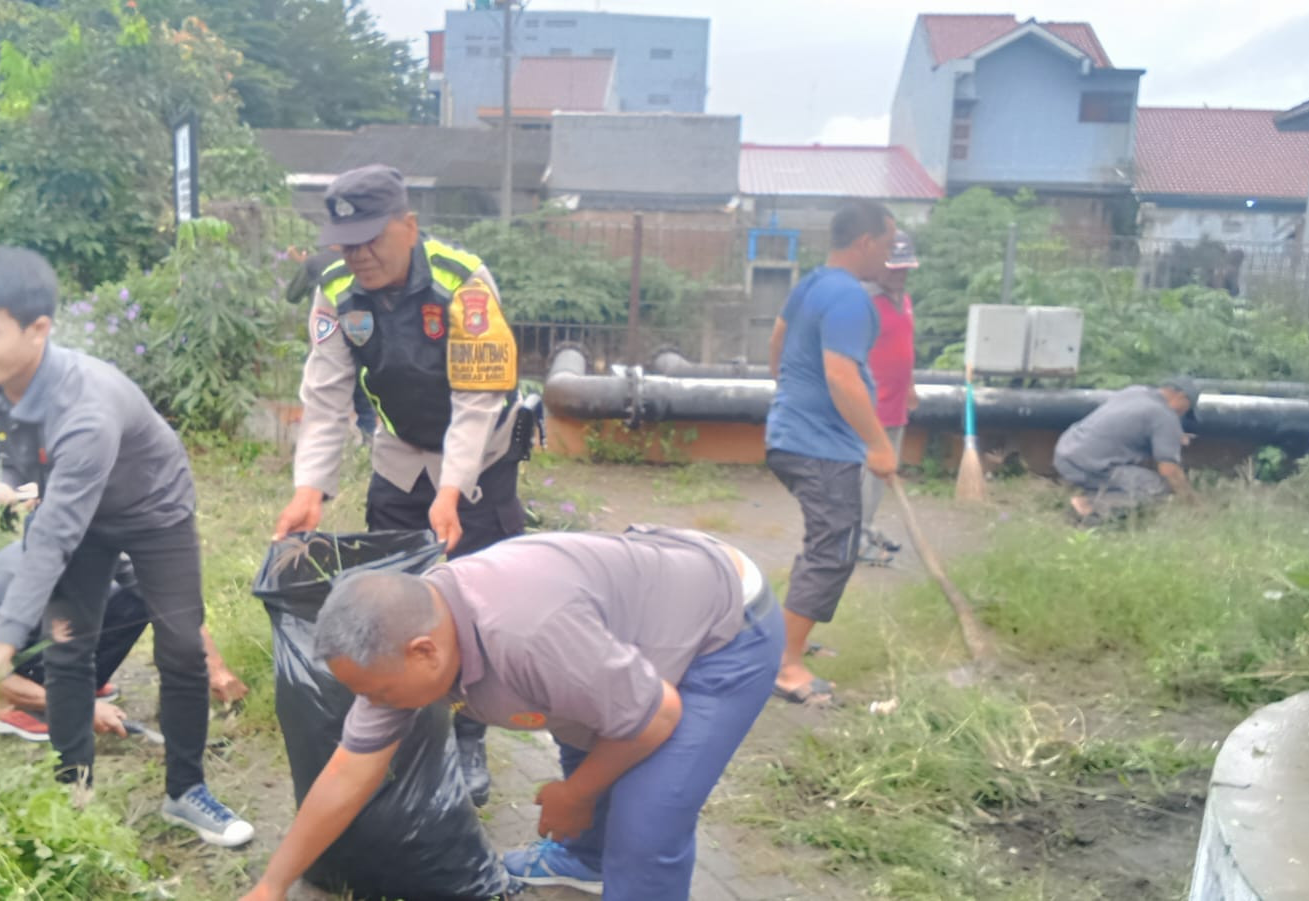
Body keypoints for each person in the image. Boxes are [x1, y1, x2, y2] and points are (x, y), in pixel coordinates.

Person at [0, 245, 254, 847]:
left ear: (38, 330)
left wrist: (2, 644)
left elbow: (56, 534)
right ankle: (74, 790)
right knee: (68, 648)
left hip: (153, 513)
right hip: (69, 506)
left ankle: (186, 792)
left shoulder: (85, 406)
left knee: (179, 647)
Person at [238, 526, 782, 901]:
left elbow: (658, 715)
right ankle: (588, 858)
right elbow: (347, 772)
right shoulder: (401, 650)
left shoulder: (527, 633)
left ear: (424, 651)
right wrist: (272, 885)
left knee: (647, 824)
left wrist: (577, 795)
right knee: (579, 708)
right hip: (615, 629)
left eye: (378, 693)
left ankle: (618, 860)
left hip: (724, 628)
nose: (373, 705)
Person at [273, 164, 523, 807]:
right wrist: (311, 488)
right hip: (399, 458)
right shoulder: (334, 292)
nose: (357, 254)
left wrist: (453, 488)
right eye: (345, 241)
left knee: (478, 599)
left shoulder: (462, 282)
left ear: (408, 226)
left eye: (370, 239)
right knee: (394, 596)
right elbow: (326, 400)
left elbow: (476, 400)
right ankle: (406, 727)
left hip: (478, 460)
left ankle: (468, 733)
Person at [765, 200, 898, 708]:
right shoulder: (848, 297)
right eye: (887, 245)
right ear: (865, 242)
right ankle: (784, 666)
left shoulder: (814, 284)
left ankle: (788, 639)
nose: (889, 257)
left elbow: (777, 338)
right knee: (834, 550)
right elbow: (841, 374)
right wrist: (879, 445)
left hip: (795, 435)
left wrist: (785, 394)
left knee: (827, 543)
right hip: (819, 445)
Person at [0, 542, 250, 742]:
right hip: (6, 667)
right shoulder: (7, 587)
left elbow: (168, 595)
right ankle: (20, 704)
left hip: (56, 625)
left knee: (138, 598)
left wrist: (215, 665)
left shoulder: (96, 545)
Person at [857, 231, 920, 566]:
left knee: (883, 475)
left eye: (905, 268)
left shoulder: (904, 300)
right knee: (865, 475)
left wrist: (910, 386)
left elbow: (904, 348)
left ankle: (865, 528)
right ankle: (853, 539)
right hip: (870, 405)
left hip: (896, 403)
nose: (900, 274)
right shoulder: (866, 302)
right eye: (894, 268)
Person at [1053, 377, 1199, 524]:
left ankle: (1083, 498)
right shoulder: (1165, 415)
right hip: (1090, 465)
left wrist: (1171, 436)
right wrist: (1191, 503)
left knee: (1132, 480)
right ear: (1181, 397)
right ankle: (1089, 505)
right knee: (1159, 488)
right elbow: (1169, 471)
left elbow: (1125, 426)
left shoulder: (1134, 392)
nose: (1183, 415)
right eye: (1187, 409)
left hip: (1065, 453)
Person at [285, 246, 377, 440]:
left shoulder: (314, 263)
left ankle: (320, 445)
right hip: (359, 332)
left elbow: (292, 296)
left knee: (323, 401)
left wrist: (307, 267)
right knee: (364, 399)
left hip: (325, 338)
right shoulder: (367, 260)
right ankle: (368, 447)